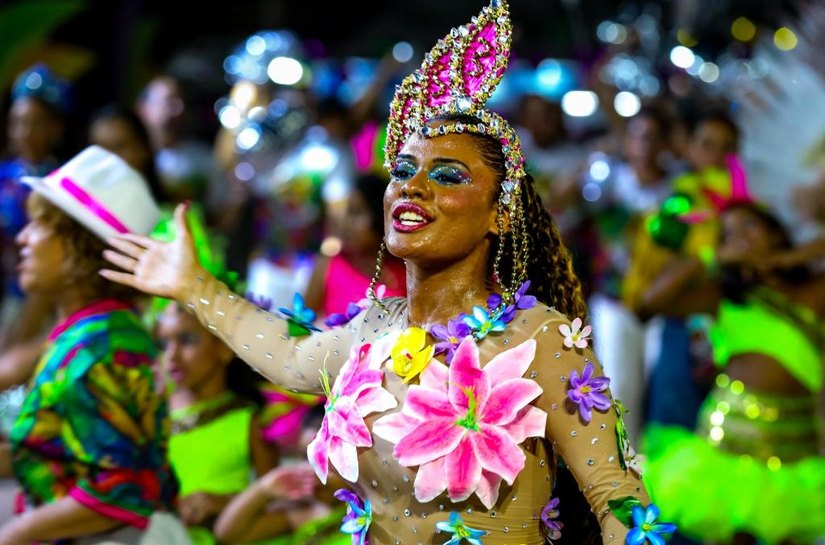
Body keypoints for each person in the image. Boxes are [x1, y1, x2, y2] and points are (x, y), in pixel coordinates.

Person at [101, 2, 669, 544]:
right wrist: (191, 285)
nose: (412, 185)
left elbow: (616, 496)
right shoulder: (372, 331)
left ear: (500, 212)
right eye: (403, 168)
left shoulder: (538, 339)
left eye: (447, 175)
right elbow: (288, 353)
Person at [0, 145, 180, 545]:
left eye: (39, 225)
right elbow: (64, 452)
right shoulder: (96, 332)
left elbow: (121, 488)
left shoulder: (100, 347)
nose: (23, 239)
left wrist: (15, 534)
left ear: (79, 247)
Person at [638, 202, 825, 545]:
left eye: (749, 226)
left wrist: (789, 259)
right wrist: (712, 257)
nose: (739, 238)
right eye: (728, 233)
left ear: (776, 233)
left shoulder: (813, 291)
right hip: (724, 452)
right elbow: (648, 303)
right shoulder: (725, 296)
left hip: (794, 458)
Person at [155, 294, 279, 545]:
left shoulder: (249, 420)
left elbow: (280, 498)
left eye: (187, 340)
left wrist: (225, 502)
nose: (171, 356)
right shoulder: (151, 417)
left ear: (224, 347)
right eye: (163, 343)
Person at [304, 172, 406, 322]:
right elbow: (301, 327)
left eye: (356, 213)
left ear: (381, 217)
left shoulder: (405, 271)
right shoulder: (328, 266)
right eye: (346, 213)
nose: (345, 223)